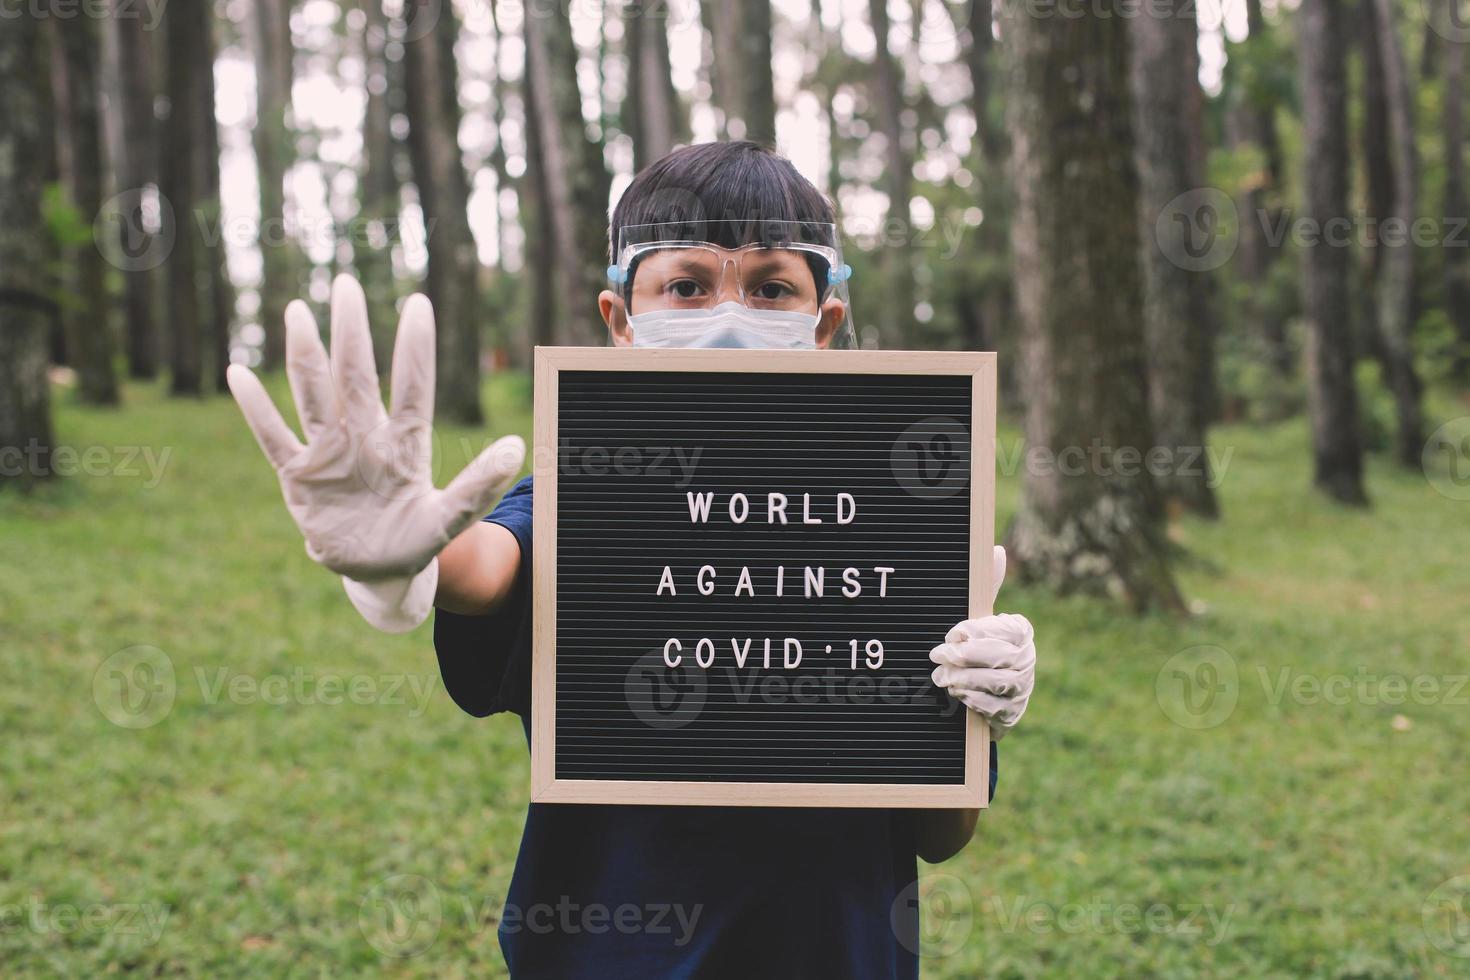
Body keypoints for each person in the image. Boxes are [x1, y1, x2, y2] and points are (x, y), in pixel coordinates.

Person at [228, 141, 1037, 978]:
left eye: (771, 288)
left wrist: (976, 703)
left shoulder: (895, 519)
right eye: (686, 286)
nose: (730, 313)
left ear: (822, 322)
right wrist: (410, 561)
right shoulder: (588, 493)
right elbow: (492, 565)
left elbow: (942, 837)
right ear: (621, 320)